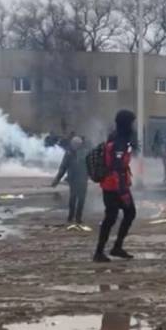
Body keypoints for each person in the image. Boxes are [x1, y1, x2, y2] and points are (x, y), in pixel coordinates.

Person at [94, 109, 137, 262]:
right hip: (114, 186)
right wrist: (123, 192)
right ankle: (101, 251)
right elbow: (117, 168)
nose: (133, 125)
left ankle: (115, 247)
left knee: (122, 215)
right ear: (126, 123)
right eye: (132, 122)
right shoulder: (119, 141)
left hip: (114, 184)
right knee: (113, 217)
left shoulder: (117, 137)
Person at [52, 135, 89, 227]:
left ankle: (78, 217)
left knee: (81, 199)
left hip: (82, 179)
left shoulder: (85, 153)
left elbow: (90, 165)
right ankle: (71, 216)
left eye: (77, 144)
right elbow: (63, 168)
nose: (75, 146)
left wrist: (93, 176)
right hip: (73, 179)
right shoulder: (68, 153)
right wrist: (57, 179)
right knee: (73, 198)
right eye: (74, 144)